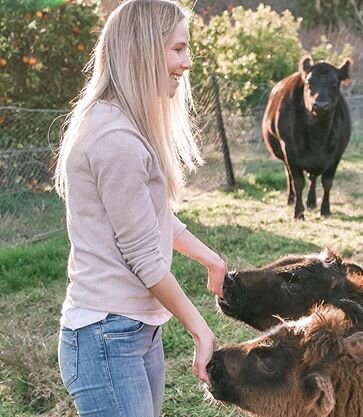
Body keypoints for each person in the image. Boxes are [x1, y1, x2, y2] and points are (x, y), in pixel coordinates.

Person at [53, 1, 227, 416]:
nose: (187, 63)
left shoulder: (126, 125)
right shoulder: (115, 139)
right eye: (178, 49)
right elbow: (144, 258)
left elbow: (152, 219)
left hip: (132, 331)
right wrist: (201, 331)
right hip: (106, 336)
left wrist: (211, 260)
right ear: (143, 49)